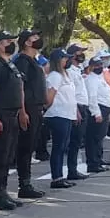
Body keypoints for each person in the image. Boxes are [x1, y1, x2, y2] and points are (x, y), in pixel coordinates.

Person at [0, 30, 27, 211]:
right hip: (1, 115)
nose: (11, 43)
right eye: (8, 41)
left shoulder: (10, 64)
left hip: (13, 115)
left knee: (8, 157)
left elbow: (20, 88)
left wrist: (22, 111)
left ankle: (4, 192)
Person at [11, 29, 47, 200]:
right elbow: (20, 87)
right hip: (28, 108)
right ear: (26, 42)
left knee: (30, 146)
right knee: (25, 148)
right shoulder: (22, 61)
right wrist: (22, 111)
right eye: (34, 37)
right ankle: (24, 184)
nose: (38, 39)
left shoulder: (34, 60)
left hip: (37, 107)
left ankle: (27, 182)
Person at [43, 49, 80, 189]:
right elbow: (49, 97)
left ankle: (60, 176)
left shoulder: (66, 75)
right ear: (58, 60)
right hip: (57, 114)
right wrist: (46, 108)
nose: (68, 60)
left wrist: (75, 112)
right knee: (59, 147)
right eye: (65, 58)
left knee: (64, 145)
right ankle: (56, 177)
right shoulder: (55, 76)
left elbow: (71, 96)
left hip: (67, 114)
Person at [63, 44, 90, 180]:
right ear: (73, 55)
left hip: (82, 106)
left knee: (78, 140)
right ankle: (71, 170)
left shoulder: (78, 70)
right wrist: (76, 111)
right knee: (74, 141)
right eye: (79, 52)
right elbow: (72, 93)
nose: (81, 55)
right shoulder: (71, 71)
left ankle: (74, 168)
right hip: (77, 107)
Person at [84, 54, 110, 173]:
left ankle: (98, 159)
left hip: (105, 108)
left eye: (100, 64)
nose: (99, 67)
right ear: (91, 67)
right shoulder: (91, 79)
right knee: (93, 138)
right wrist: (97, 113)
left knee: (100, 137)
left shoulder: (100, 78)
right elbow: (92, 97)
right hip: (98, 109)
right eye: (96, 65)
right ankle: (93, 163)